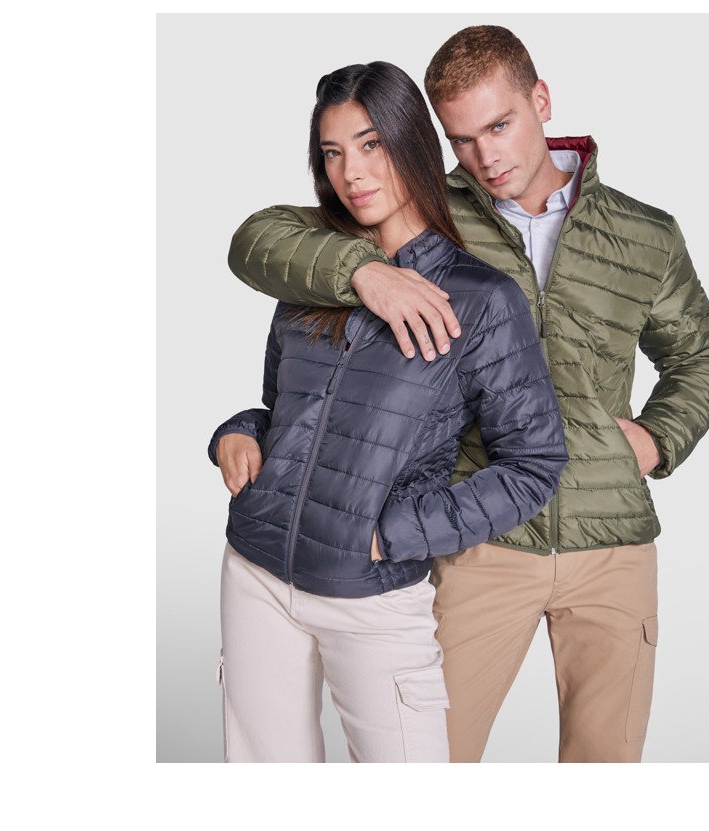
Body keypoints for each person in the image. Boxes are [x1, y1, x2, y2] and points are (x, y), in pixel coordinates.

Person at [225, 26, 709, 763]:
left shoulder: (644, 234)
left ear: (541, 101)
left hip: (612, 542)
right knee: (437, 752)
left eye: (499, 126)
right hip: (478, 545)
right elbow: (264, 240)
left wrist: (657, 440)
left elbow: (700, 355)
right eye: (461, 139)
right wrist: (363, 271)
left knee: (607, 764)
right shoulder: (423, 212)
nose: (485, 156)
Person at [208, 60, 568, 763]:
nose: (352, 172)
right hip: (255, 571)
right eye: (332, 153)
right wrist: (238, 433)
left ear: (412, 144)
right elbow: (285, 411)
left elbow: (534, 464)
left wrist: (395, 534)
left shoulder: (481, 299)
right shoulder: (315, 273)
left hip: (371, 594)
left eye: (371, 144)